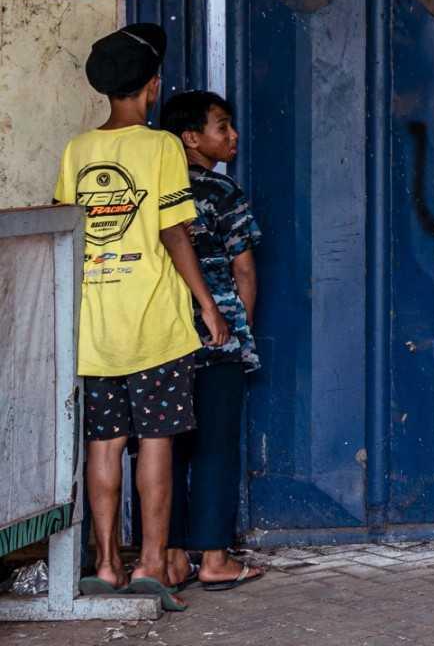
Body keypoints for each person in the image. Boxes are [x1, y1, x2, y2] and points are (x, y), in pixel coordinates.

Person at [54, 23, 229, 613]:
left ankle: (105, 566)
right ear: (152, 87)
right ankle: (152, 563)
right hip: (153, 323)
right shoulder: (158, 149)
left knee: (105, 444)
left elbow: (68, 235)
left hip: (94, 325)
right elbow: (173, 230)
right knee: (155, 441)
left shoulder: (78, 150)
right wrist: (206, 304)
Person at [156, 91, 264, 592]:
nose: (233, 135)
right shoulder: (223, 194)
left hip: (163, 339)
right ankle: (215, 558)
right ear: (191, 138)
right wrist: (241, 329)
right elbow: (243, 267)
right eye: (223, 127)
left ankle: (171, 558)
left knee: (166, 449)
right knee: (217, 447)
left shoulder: (157, 189)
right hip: (218, 339)